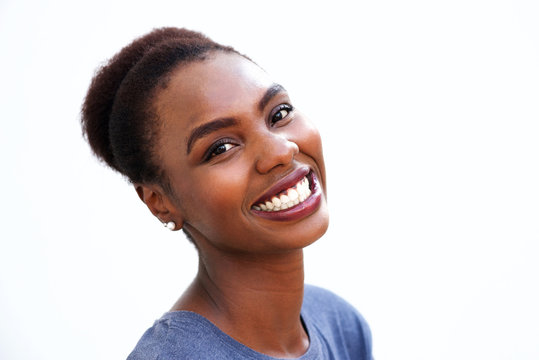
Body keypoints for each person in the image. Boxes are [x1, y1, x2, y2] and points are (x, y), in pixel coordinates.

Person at [81, 27, 372, 360]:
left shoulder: (340, 324)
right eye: (220, 147)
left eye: (278, 114)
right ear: (160, 203)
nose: (280, 151)